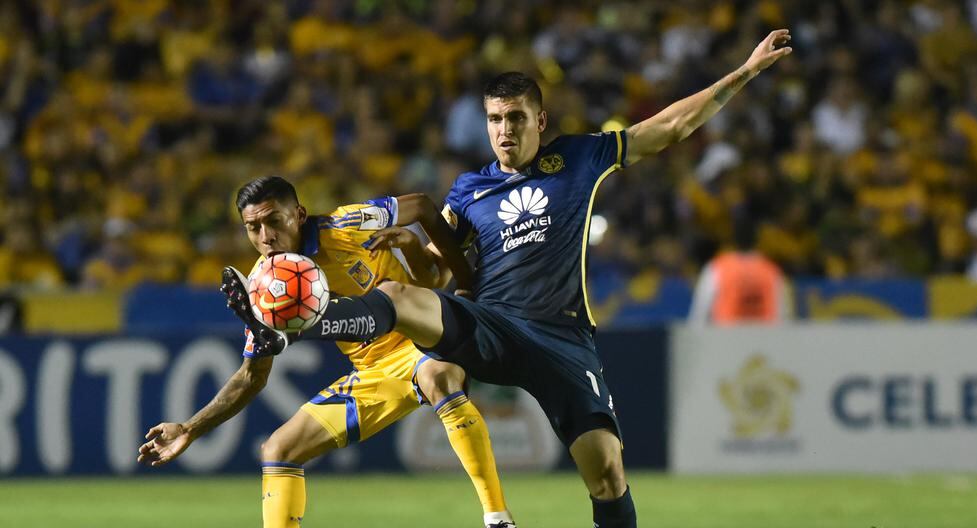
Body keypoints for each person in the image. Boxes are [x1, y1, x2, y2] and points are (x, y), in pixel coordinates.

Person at [226, 31, 794, 528]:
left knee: (607, 474)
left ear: (539, 121)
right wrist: (412, 249)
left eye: (515, 118)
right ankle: (308, 322)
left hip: (562, 336)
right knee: (398, 296)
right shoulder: (468, 192)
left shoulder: (579, 159)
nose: (503, 130)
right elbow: (436, 275)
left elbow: (670, 127)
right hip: (492, 324)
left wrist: (745, 71)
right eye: (495, 119)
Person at [138, 176, 517, 528]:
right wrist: (189, 428)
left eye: (275, 221)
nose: (266, 236)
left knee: (437, 376)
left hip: (424, 341)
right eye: (253, 228)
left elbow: (419, 205)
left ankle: (497, 516)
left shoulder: (346, 225)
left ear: (299, 215)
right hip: (373, 372)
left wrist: (465, 282)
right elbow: (252, 377)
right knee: (279, 448)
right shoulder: (263, 286)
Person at [689, 219, 793, 324]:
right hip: (765, 338)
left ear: (733, 239)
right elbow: (784, 316)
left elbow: (700, 315)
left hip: (726, 337)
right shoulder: (771, 271)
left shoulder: (717, 268)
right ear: (757, 239)